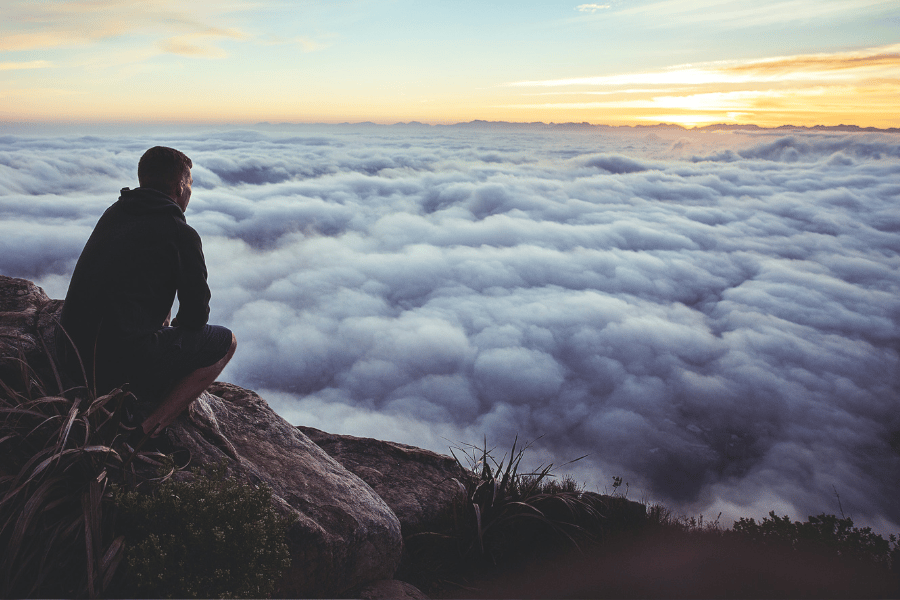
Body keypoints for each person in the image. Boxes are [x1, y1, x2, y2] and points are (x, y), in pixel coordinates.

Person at [58, 146, 236, 460]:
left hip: (70, 355)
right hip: (116, 366)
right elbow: (196, 317)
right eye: (190, 186)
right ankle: (143, 432)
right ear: (181, 189)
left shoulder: (115, 213)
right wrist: (172, 336)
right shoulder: (181, 233)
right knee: (226, 342)